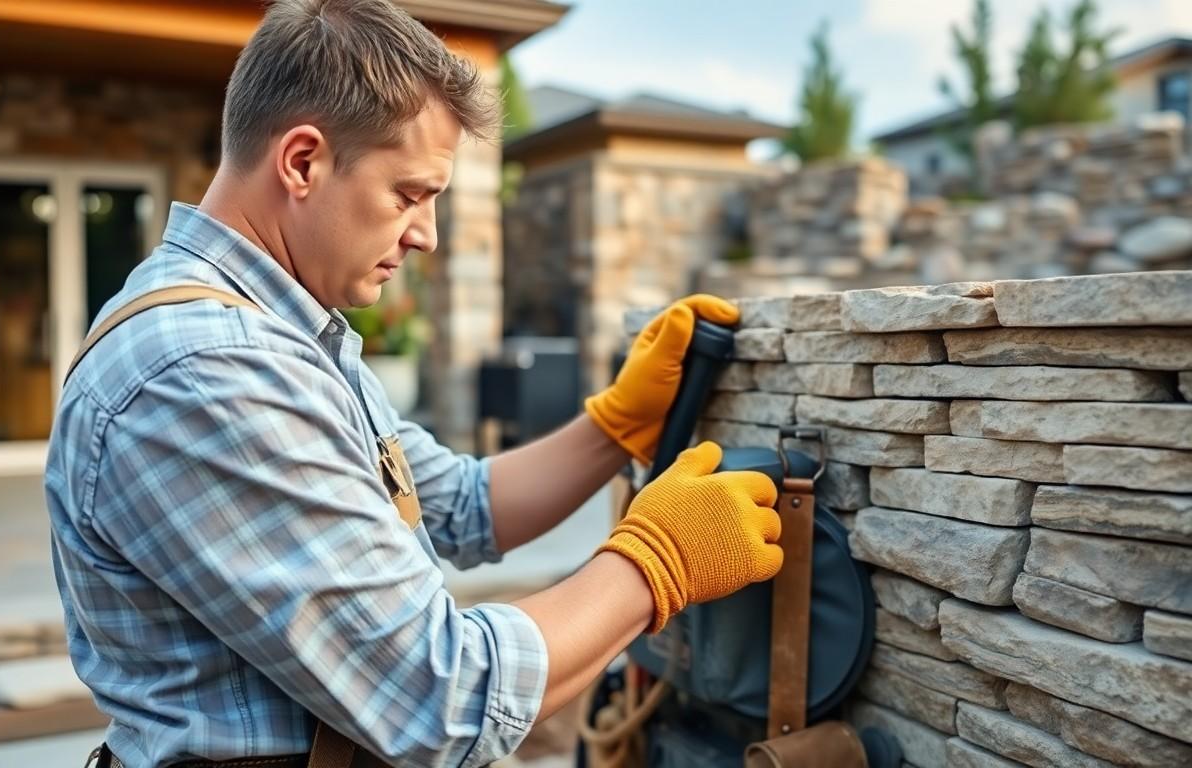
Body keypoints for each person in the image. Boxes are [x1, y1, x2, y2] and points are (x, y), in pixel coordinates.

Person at [45, 1, 783, 766]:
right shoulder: (206, 369)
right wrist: (654, 563)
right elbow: (441, 697)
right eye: (409, 194)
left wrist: (614, 427)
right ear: (302, 162)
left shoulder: (285, 336)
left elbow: (459, 507)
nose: (426, 234)